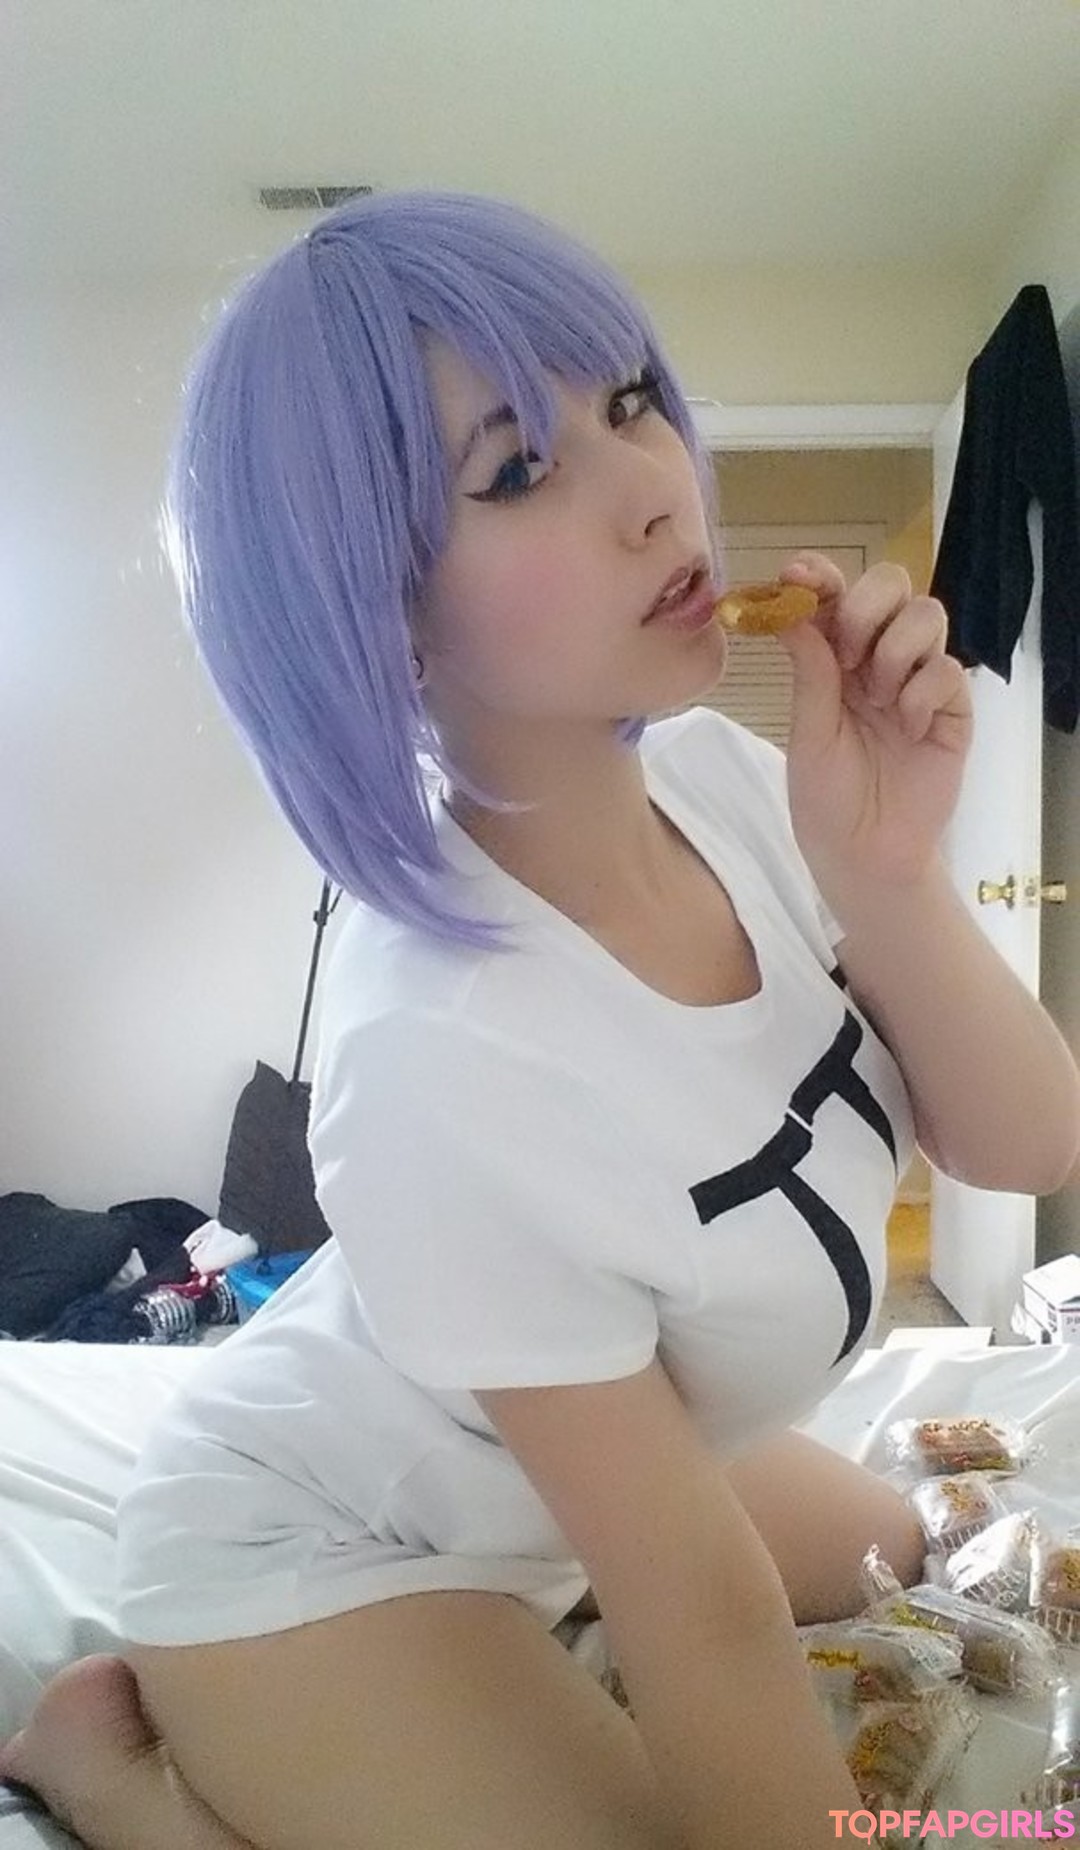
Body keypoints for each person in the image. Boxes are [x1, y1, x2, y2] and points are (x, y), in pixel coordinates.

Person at [2, 190, 1077, 1850]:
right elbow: (704, 1614)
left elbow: (1033, 1140)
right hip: (317, 1545)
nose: (653, 485)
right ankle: (111, 1769)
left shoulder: (728, 782)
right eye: (517, 470)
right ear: (374, 609)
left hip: (551, 1449)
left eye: (633, 399)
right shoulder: (436, 1058)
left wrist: (889, 875)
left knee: (920, 1546)